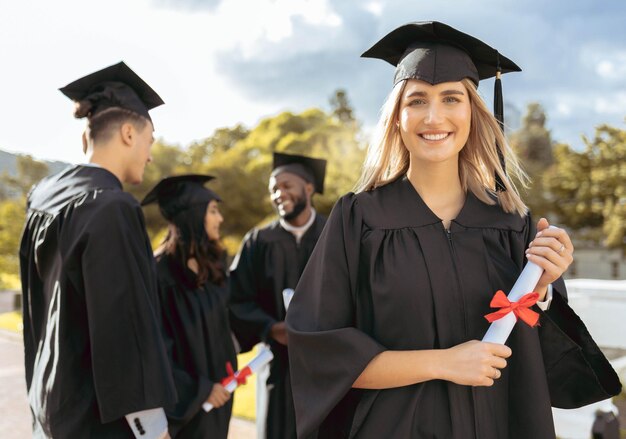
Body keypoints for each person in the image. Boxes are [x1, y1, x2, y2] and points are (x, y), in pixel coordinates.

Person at [286, 21, 622, 439]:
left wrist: (544, 288)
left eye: (451, 98)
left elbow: (541, 362)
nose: (434, 116)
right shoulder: (359, 219)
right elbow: (319, 352)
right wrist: (442, 362)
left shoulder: (510, 224)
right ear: (396, 118)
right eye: (417, 100)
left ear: (473, 113)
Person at [19, 61, 177, 438]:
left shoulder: (43, 196)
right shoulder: (112, 208)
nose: (150, 155)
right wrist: (154, 429)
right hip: (95, 421)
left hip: (50, 405)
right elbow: (126, 332)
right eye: (149, 140)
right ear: (127, 133)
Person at [229, 152, 327, 439]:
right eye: (274, 188)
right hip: (277, 363)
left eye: (287, 185)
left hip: (327, 361)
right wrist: (271, 327)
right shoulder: (258, 242)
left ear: (308, 188)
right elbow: (237, 298)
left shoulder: (335, 233)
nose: (278, 193)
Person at [141, 175, 237, 438]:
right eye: (213, 211)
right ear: (194, 215)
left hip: (219, 400)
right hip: (183, 409)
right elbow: (153, 350)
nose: (220, 219)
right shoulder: (158, 273)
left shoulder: (214, 267)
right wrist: (201, 390)